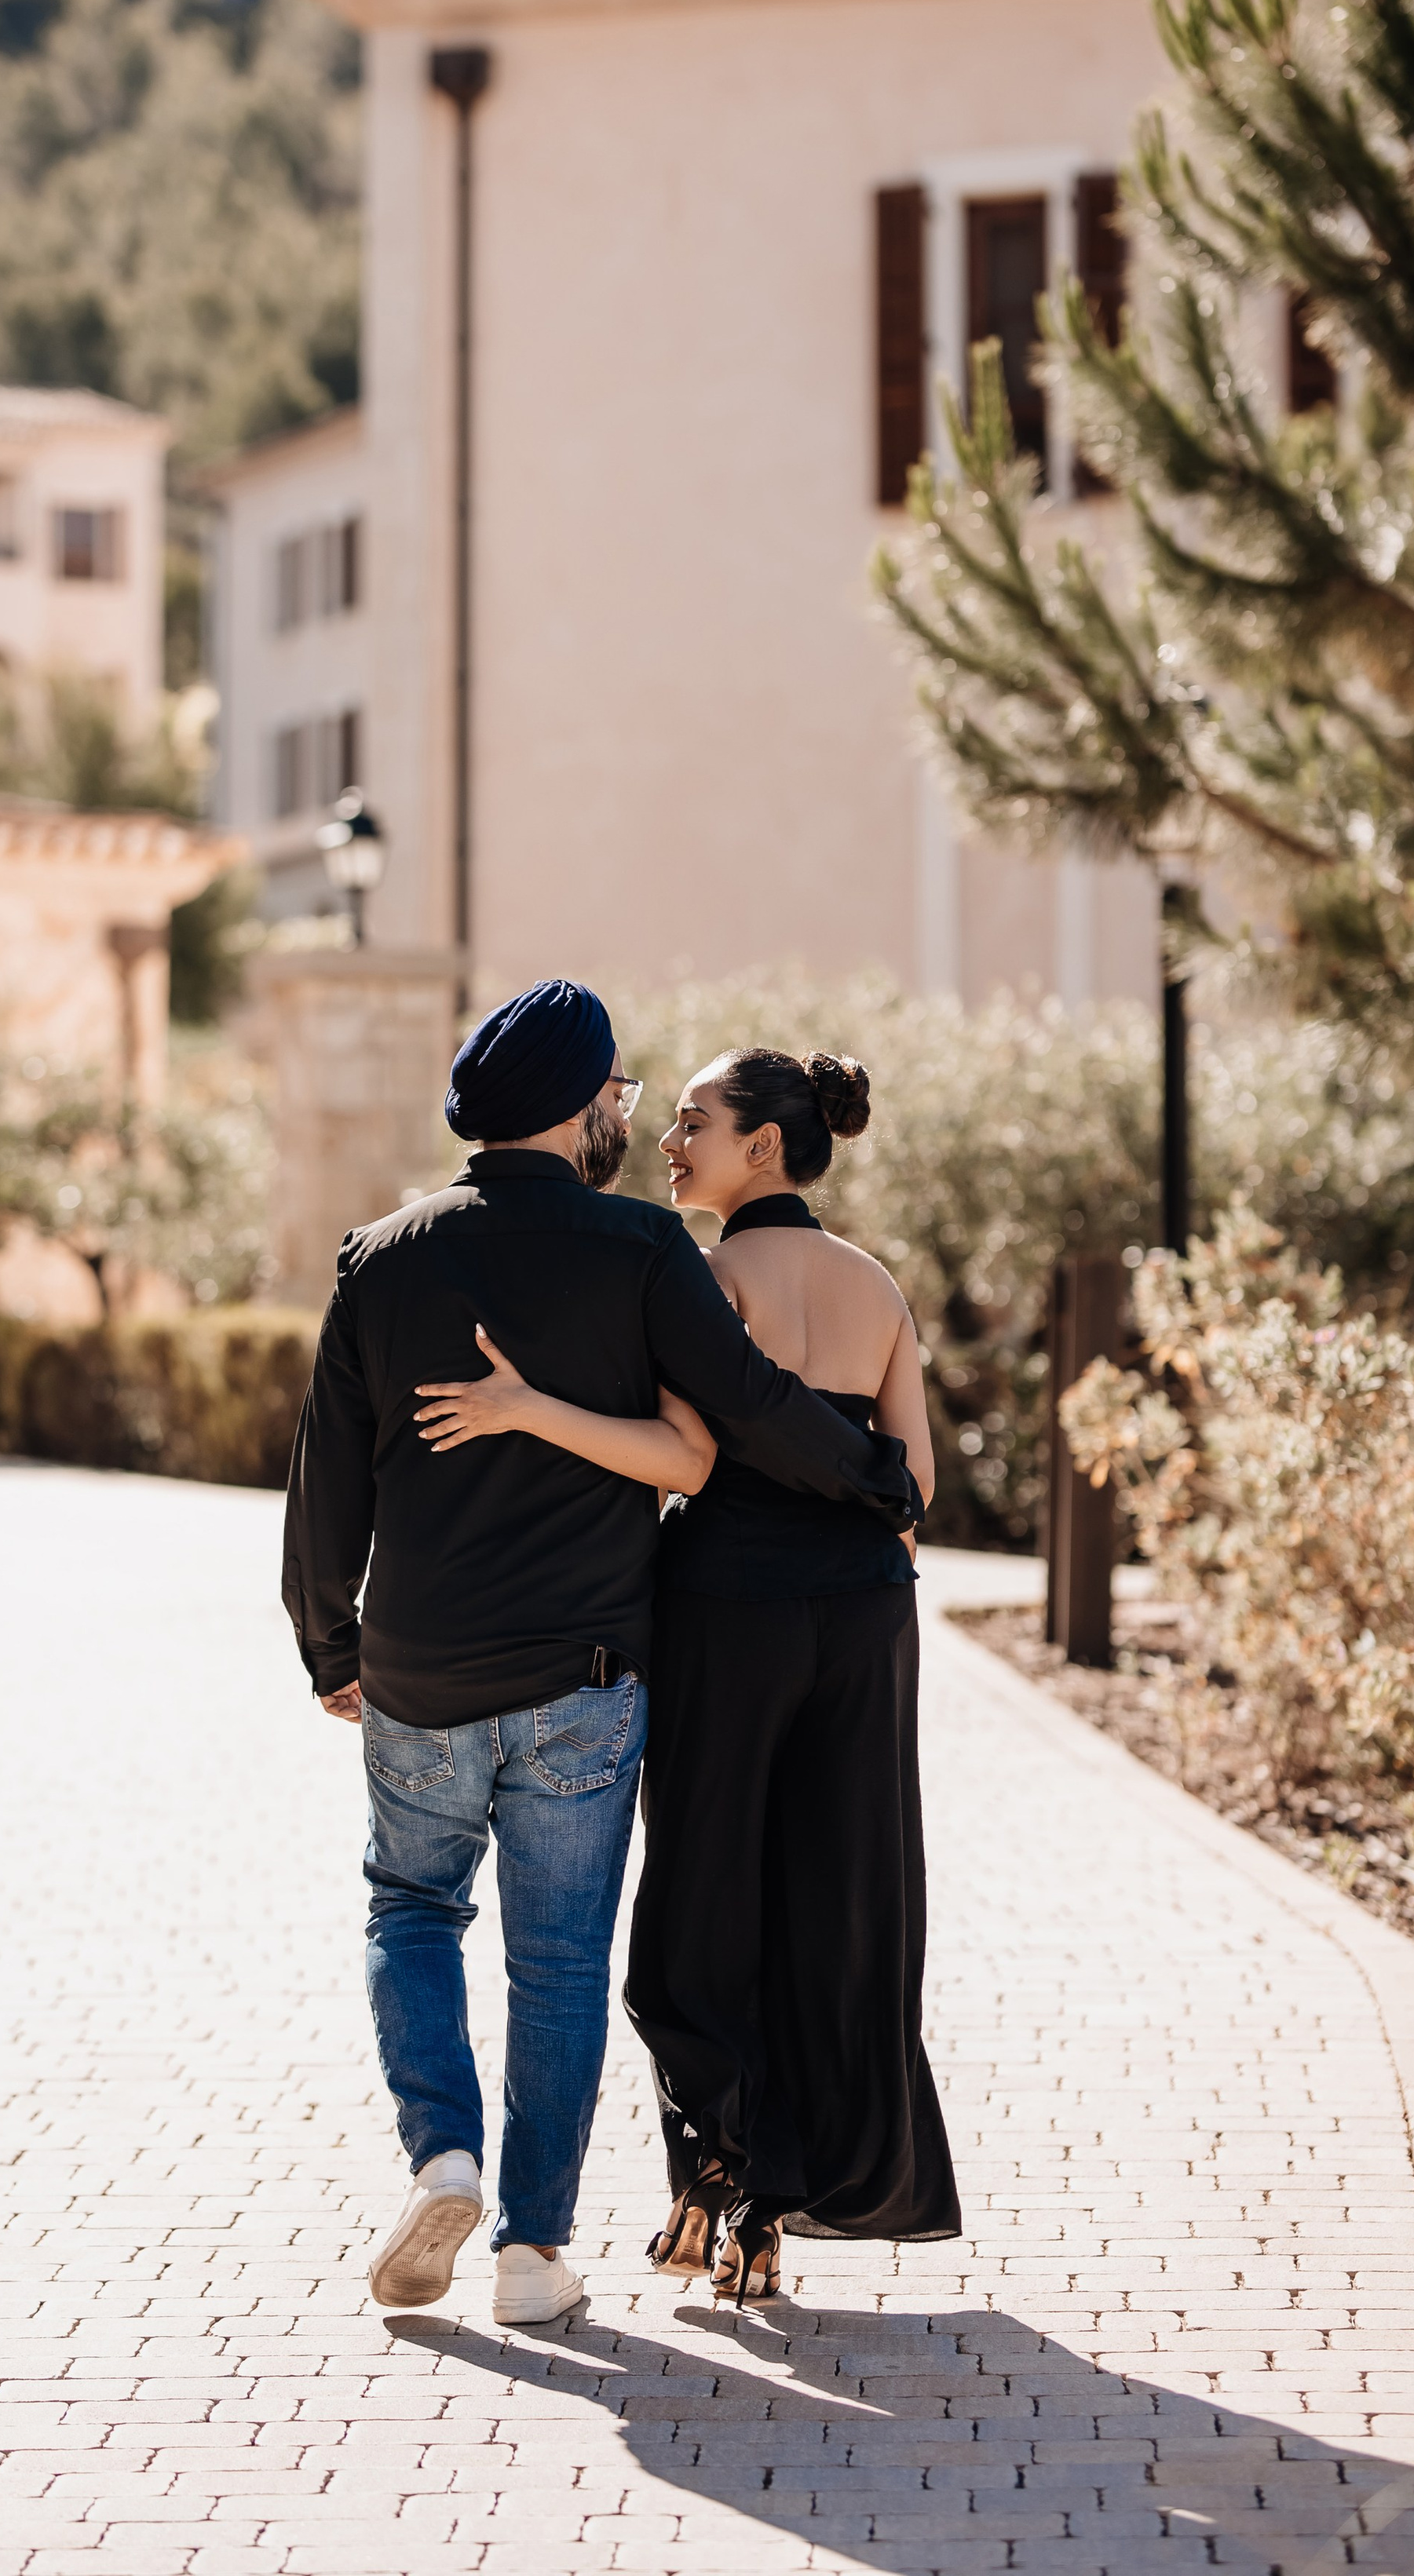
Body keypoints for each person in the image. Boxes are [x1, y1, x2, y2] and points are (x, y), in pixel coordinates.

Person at [282, 980, 921, 2329]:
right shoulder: (640, 1249)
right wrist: (874, 1479)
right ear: (579, 1113)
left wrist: (328, 1642)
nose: (634, 1119)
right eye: (623, 1098)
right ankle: (531, 2254)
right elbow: (741, 1413)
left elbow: (323, 1478)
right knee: (560, 1963)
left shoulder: (379, 1257)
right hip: (585, 1673)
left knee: (411, 1910)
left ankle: (441, 2155)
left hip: (421, 1668)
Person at [417, 1042, 960, 2308]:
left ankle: (719, 2172)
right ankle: (777, 2208)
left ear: (763, 1145)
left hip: (730, 1614)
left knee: (702, 1907)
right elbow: (915, 1486)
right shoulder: (877, 1285)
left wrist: (520, 1410)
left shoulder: (701, 1277)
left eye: (694, 1122)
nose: (669, 1141)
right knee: (837, 1895)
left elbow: (686, 1459)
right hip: (872, 1625)